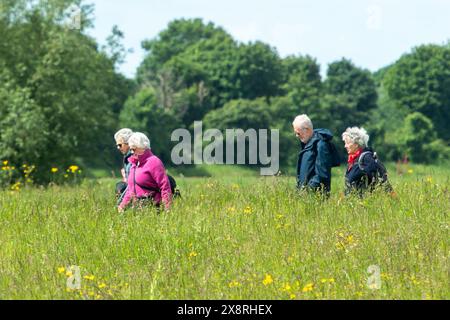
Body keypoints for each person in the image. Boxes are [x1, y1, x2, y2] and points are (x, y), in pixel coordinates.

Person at [118, 132, 172, 212]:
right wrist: (122, 206)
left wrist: (167, 209)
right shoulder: (134, 164)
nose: (132, 152)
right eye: (131, 149)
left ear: (142, 147)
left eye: (133, 149)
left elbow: (165, 187)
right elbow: (130, 189)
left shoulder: (154, 162)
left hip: (153, 209)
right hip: (136, 210)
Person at [293, 114, 337, 194]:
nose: (296, 136)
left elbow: (322, 175)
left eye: (298, 133)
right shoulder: (307, 143)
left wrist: (308, 191)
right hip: (305, 196)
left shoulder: (321, 144)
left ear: (307, 129)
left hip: (316, 197)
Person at [342, 127, 378, 196]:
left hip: (364, 203)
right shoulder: (353, 160)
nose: (345, 146)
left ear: (356, 144)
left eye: (347, 143)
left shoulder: (366, 158)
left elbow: (377, 180)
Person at [114, 128, 133, 203]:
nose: (118, 148)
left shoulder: (133, 158)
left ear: (128, 143)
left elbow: (132, 185)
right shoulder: (127, 157)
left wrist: (120, 203)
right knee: (120, 185)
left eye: (120, 145)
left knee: (121, 187)